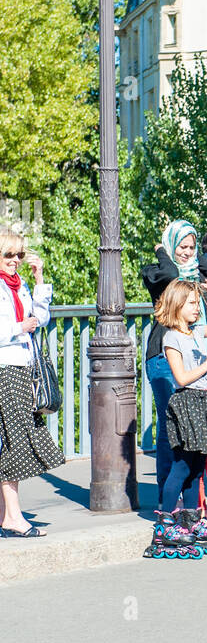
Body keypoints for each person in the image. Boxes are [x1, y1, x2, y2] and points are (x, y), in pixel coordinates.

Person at [141, 220, 207, 509]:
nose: (188, 252)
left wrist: (198, 258)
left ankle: (192, 504)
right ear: (170, 245)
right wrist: (161, 251)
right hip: (164, 356)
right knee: (172, 433)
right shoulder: (158, 272)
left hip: (194, 351)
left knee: (193, 436)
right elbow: (169, 273)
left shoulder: (196, 272)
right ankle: (167, 503)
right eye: (183, 246)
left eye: (192, 247)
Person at [0, 229, 64, 537]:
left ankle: (5, 515)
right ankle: (13, 516)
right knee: (15, 441)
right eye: (8, 254)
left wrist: (39, 281)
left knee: (12, 440)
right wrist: (17, 328)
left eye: (19, 255)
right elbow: (12, 328)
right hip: (5, 368)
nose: (14, 260)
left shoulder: (20, 284)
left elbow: (41, 318)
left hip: (22, 366)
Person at [157, 279, 207, 513]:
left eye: (197, 303)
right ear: (177, 305)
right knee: (181, 466)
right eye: (191, 303)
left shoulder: (198, 332)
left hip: (203, 400)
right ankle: (165, 519)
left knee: (197, 468)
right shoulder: (172, 337)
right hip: (186, 402)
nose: (196, 308)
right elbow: (181, 378)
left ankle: (191, 519)